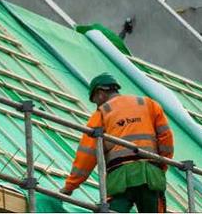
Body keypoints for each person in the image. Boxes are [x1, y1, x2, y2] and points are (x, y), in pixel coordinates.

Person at [60, 73, 175, 213]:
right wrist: (160, 164)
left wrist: (70, 186)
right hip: (150, 174)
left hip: (120, 178)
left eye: (95, 101)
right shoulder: (147, 103)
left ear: (101, 94)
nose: (96, 105)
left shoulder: (102, 113)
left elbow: (87, 155)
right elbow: (166, 137)